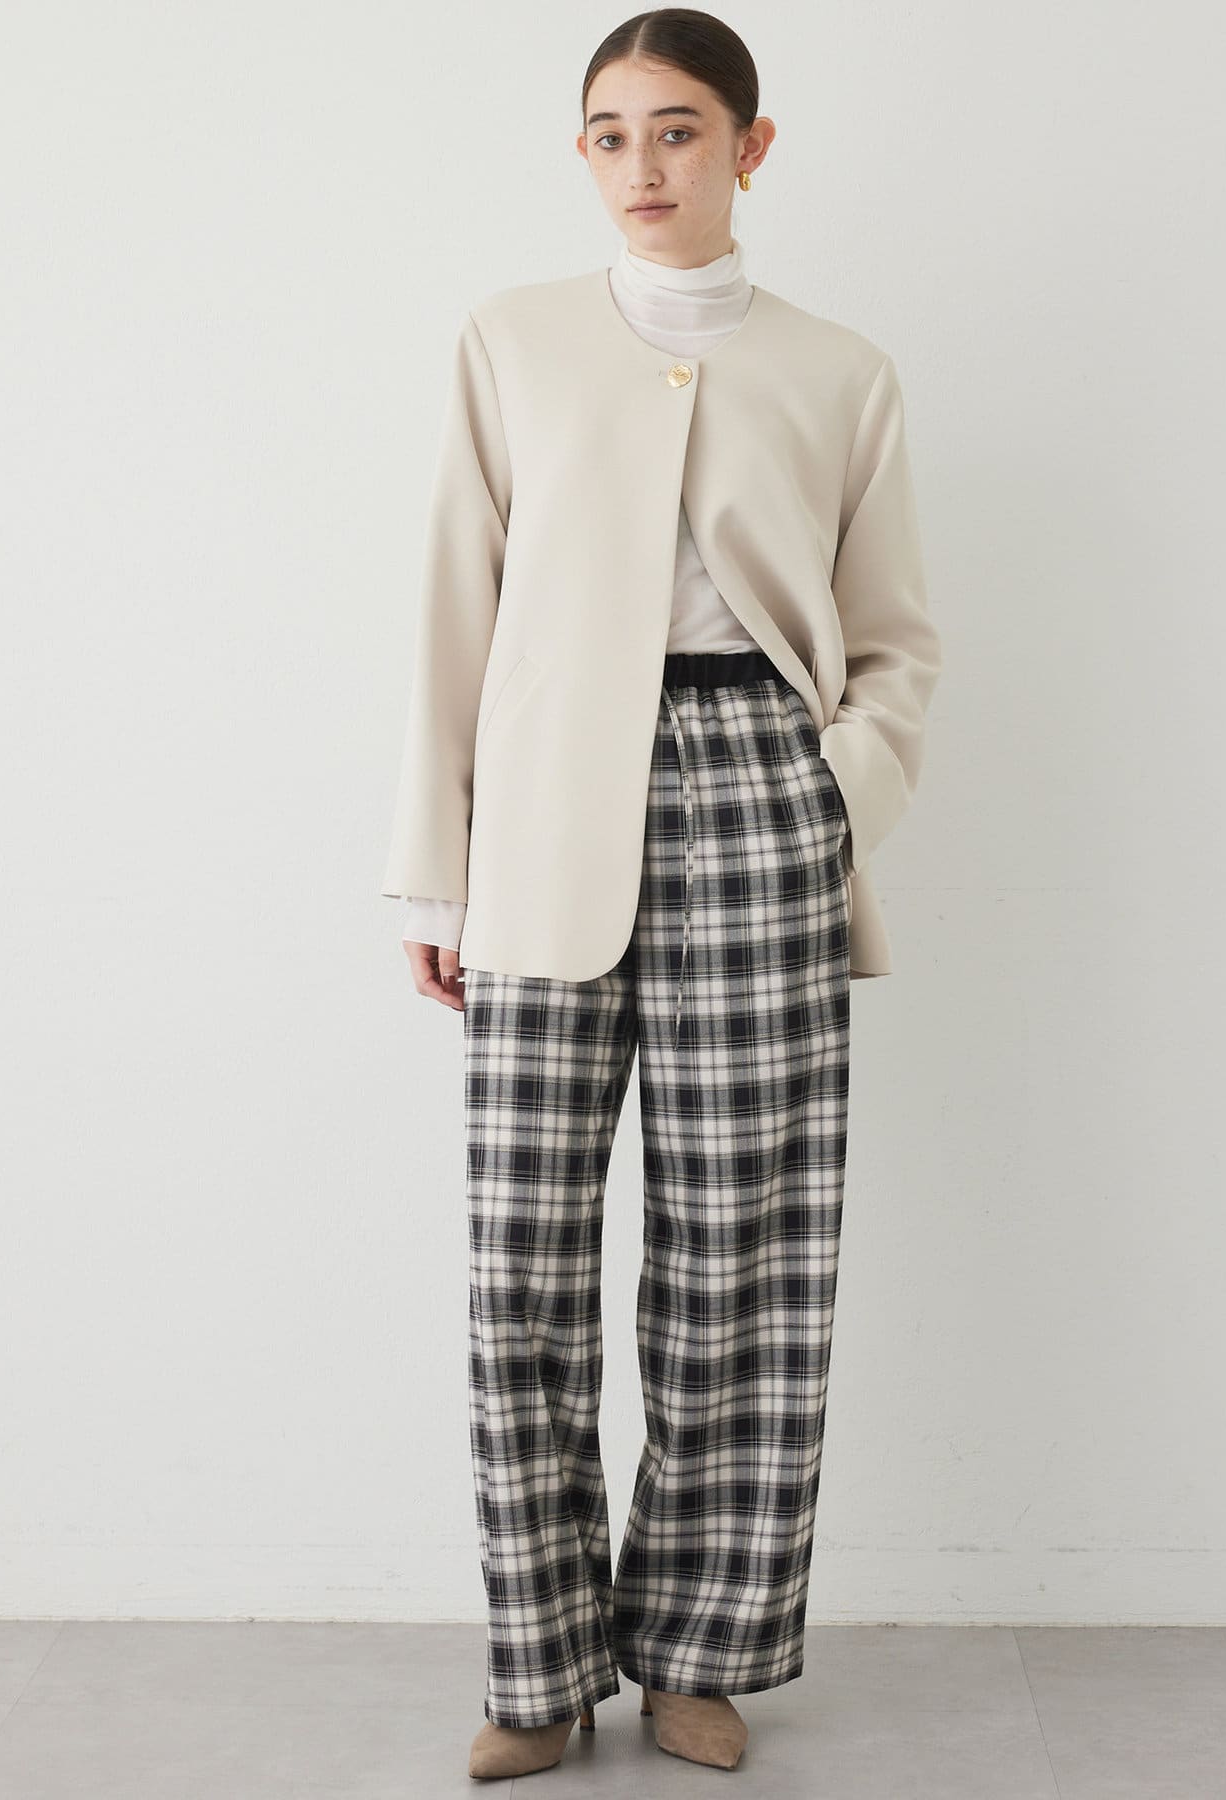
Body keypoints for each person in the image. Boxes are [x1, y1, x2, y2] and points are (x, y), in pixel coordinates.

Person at [381, 8, 943, 1782]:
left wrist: (833, 797)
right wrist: (435, 872)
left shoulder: (841, 372)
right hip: (547, 821)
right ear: (584, 152)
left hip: (759, 799)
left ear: (749, 149)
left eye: (680, 129)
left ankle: (699, 1651)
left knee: (740, 1261)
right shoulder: (512, 341)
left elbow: (897, 640)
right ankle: (539, 1665)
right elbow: (454, 606)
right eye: (611, 133)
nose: (644, 165)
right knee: (523, 1265)